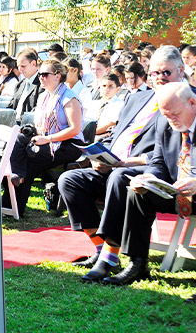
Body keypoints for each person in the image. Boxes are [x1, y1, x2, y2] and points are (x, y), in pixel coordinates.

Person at [59, 45, 186, 282]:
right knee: (69, 179)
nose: (159, 78)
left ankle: (110, 256)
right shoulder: (138, 97)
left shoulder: (185, 101)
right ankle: (100, 249)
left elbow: (166, 154)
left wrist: (124, 164)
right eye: (154, 73)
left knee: (121, 178)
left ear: (181, 70)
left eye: (166, 73)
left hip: (142, 168)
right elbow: (118, 134)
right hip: (116, 164)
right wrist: (101, 157)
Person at [107, 82, 196, 293]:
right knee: (137, 193)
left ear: (192, 103)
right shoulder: (165, 124)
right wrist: (148, 178)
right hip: (176, 190)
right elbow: (158, 163)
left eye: (174, 114)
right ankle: (137, 263)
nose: (169, 120)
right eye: (165, 115)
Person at [7, 59, 84, 217]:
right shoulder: (44, 97)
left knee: (25, 159)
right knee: (20, 143)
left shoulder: (69, 98)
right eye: (40, 74)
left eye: (45, 74)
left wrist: (48, 139)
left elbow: (75, 129)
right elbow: (42, 126)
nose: (41, 77)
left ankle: (13, 199)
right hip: (47, 140)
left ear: (58, 75)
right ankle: (13, 202)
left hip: (69, 145)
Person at [7, 48, 43, 122]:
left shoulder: (43, 83)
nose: (20, 69)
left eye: (23, 66)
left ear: (33, 63)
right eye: (18, 66)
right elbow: (12, 106)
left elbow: (39, 109)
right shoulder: (19, 85)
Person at [88, 73, 125, 139]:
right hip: (88, 135)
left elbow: (112, 123)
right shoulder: (94, 104)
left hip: (105, 137)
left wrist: (92, 132)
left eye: (110, 86)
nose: (106, 89)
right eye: (104, 86)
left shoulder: (120, 105)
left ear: (117, 89)